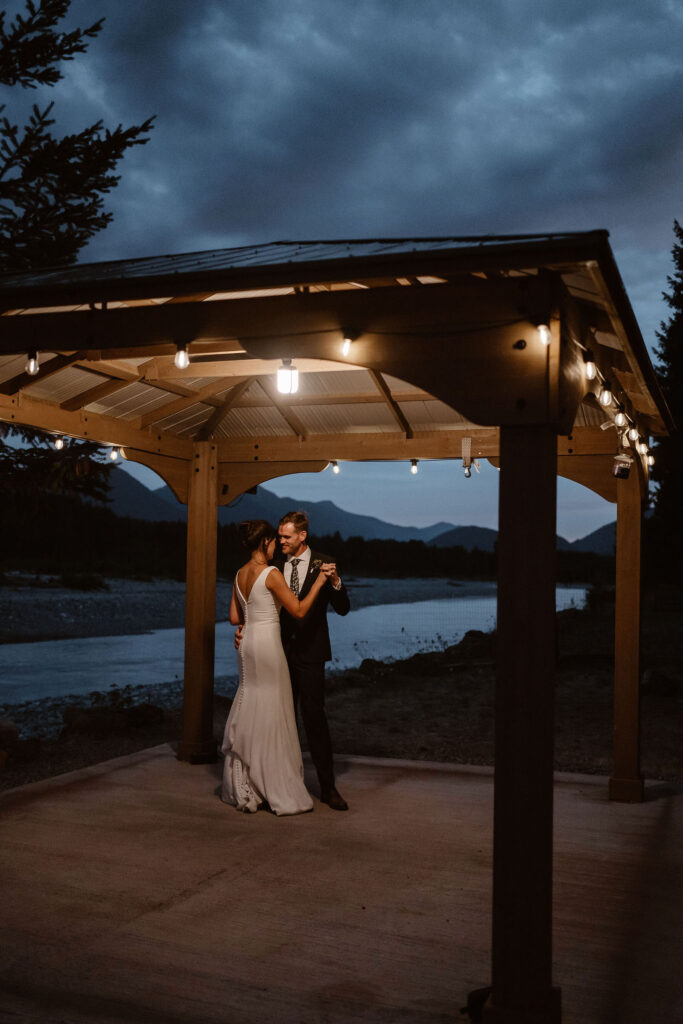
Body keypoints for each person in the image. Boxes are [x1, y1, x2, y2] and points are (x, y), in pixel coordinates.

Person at [221, 519, 330, 816]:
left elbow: (234, 617)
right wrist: (319, 582)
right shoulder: (270, 573)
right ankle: (271, 783)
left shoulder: (240, 573)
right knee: (272, 709)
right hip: (269, 646)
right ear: (264, 542)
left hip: (247, 646)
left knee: (250, 701)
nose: (277, 547)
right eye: (273, 541)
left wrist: (248, 624)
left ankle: (246, 781)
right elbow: (297, 610)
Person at [274, 510, 351, 811]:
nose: (281, 541)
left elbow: (343, 608)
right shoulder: (275, 564)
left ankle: (328, 788)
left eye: (286, 536)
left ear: (302, 536)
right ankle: (284, 785)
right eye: (280, 536)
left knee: (314, 718)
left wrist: (335, 582)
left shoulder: (324, 561)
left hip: (312, 654)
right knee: (282, 719)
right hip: (279, 651)